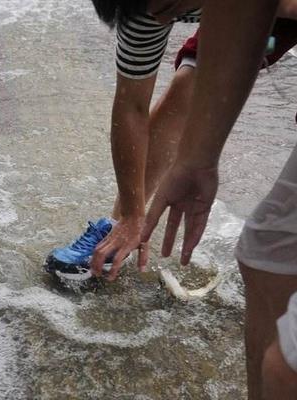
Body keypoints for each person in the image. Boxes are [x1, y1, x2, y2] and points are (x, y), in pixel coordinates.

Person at [43, 0, 297, 398]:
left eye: (165, 5)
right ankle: (119, 230)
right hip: (237, 12)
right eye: (151, 13)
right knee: (190, 85)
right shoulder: (143, 11)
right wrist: (133, 210)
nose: (160, 19)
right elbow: (131, 105)